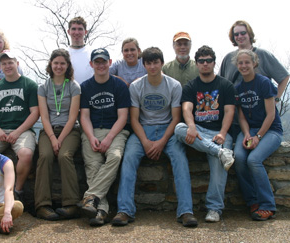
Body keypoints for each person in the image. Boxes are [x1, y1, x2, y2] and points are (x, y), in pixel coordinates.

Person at [111, 47, 195, 227]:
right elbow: (134, 119)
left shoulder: (173, 85)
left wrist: (162, 142)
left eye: (156, 62)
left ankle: (186, 211)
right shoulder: (136, 86)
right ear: (144, 65)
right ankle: (125, 210)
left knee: (180, 159)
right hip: (143, 129)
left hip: (168, 130)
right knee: (128, 158)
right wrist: (146, 143)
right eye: (148, 63)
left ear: (162, 63)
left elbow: (176, 118)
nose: (152, 66)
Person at [174, 45, 236, 223]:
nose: (205, 64)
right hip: (199, 130)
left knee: (218, 165)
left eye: (209, 61)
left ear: (214, 63)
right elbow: (187, 107)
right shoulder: (192, 86)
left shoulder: (225, 85)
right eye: (201, 61)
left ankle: (214, 209)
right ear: (197, 64)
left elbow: (229, 112)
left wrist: (223, 134)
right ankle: (219, 152)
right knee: (179, 129)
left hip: (219, 132)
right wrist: (191, 125)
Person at [77, 48, 130, 226]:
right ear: (91, 64)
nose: (101, 65)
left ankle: (90, 197)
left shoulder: (119, 86)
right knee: (93, 165)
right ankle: (100, 211)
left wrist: (109, 138)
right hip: (92, 130)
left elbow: (123, 116)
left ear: (110, 62)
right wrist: (91, 136)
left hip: (115, 131)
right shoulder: (85, 87)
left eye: (104, 61)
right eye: (97, 62)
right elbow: (84, 116)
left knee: (114, 157)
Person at [232, 49, 282, 221]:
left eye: (247, 62)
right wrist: (246, 134)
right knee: (238, 157)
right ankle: (253, 201)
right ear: (237, 65)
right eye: (240, 63)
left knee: (254, 159)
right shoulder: (238, 88)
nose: (244, 66)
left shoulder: (264, 83)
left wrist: (258, 137)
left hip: (270, 130)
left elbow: (271, 115)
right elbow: (242, 116)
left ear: (254, 63)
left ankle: (268, 206)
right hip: (249, 130)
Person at [219, 20, 290, 139]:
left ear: (249, 34)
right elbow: (221, 84)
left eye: (243, 33)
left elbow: (284, 76)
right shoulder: (228, 58)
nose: (240, 36)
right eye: (236, 34)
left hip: (260, 120)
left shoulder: (263, 55)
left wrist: (276, 99)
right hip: (235, 119)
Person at [0, 50, 39, 202]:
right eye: (4, 63)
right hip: (0, 130)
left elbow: (35, 113)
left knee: (26, 155)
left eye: (10, 62)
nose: (7, 66)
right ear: (0, 66)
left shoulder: (29, 85)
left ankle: (17, 191)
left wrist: (17, 132)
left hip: (23, 131)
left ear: (17, 63)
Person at [34, 49, 81, 221]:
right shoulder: (43, 87)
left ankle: (71, 204)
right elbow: (44, 116)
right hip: (49, 130)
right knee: (45, 156)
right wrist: (53, 138)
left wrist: (59, 140)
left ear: (67, 65)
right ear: (51, 65)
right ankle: (42, 205)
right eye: (56, 63)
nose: (59, 66)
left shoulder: (74, 86)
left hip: (70, 131)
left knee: (64, 156)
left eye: (62, 63)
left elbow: (73, 116)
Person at [67, 16, 94, 84]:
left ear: (85, 32)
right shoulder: (64, 54)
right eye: (73, 29)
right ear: (68, 31)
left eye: (80, 29)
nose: (76, 32)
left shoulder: (92, 53)